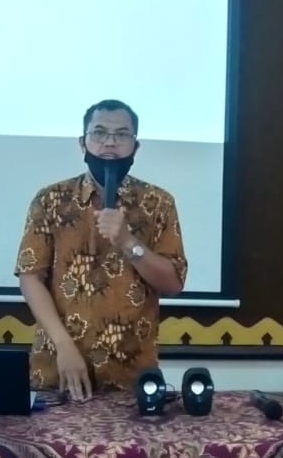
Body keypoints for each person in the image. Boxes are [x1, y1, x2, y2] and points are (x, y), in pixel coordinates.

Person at [15, 99, 187, 400]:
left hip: (132, 374)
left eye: (122, 135)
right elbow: (30, 277)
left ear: (136, 146)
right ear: (83, 143)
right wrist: (63, 345)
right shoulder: (50, 200)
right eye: (99, 133)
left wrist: (128, 242)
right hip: (58, 367)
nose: (109, 143)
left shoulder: (158, 203)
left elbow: (173, 283)